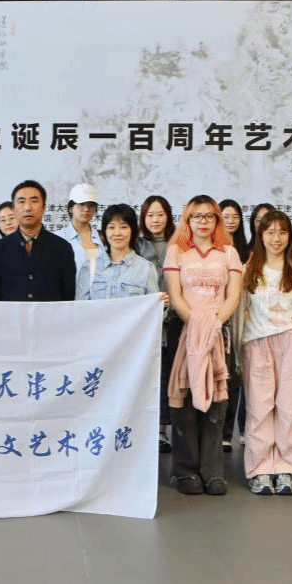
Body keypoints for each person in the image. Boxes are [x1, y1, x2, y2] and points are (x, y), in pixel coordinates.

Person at [164, 196, 243, 496]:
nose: (203, 222)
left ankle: (212, 472)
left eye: (209, 216)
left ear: (217, 221)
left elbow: (233, 296)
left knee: (216, 402)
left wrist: (214, 324)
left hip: (218, 333)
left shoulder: (229, 253)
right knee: (184, 398)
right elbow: (175, 296)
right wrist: (198, 324)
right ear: (188, 220)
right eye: (196, 216)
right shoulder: (176, 251)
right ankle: (184, 472)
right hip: (184, 331)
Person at [237, 210, 292, 496]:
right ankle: (260, 469)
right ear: (260, 235)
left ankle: (286, 468)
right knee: (258, 409)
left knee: (291, 408)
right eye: (270, 232)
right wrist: (237, 355)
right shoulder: (249, 269)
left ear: (290, 236)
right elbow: (239, 315)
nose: (276, 238)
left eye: (282, 232)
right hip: (257, 345)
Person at [0, 180, 76, 302]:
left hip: (49, 315)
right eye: (21, 201)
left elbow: (68, 296)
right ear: (14, 209)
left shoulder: (62, 248)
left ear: (44, 208)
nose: (28, 207)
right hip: (10, 315)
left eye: (34, 201)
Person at [137, 194, 178, 453]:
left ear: (168, 216)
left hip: (175, 319)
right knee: (148, 377)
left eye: (160, 214)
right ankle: (149, 430)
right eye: (150, 215)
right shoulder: (137, 245)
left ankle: (165, 430)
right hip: (146, 325)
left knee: (169, 377)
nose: (155, 220)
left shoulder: (179, 245)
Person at [76, 203, 164, 303]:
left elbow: (152, 308)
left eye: (123, 227)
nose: (117, 233)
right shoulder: (89, 268)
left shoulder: (146, 269)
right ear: (104, 232)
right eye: (111, 227)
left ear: (133, 231)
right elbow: (80, 309)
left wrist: (162, 304)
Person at [219, 198, 251, 451]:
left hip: (240, 321)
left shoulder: (247, 251)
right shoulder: (211, 248)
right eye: (225, 216)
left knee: (235, 380)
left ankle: (228, 433)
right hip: (216, 321)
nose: (230, 221)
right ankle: (215, 431)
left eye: (235, 216)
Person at [56, 182, 101, 271]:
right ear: (71, 208)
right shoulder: (58, 238)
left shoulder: (103, 237)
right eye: (81, 204)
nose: (86, 209)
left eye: (91, 205)